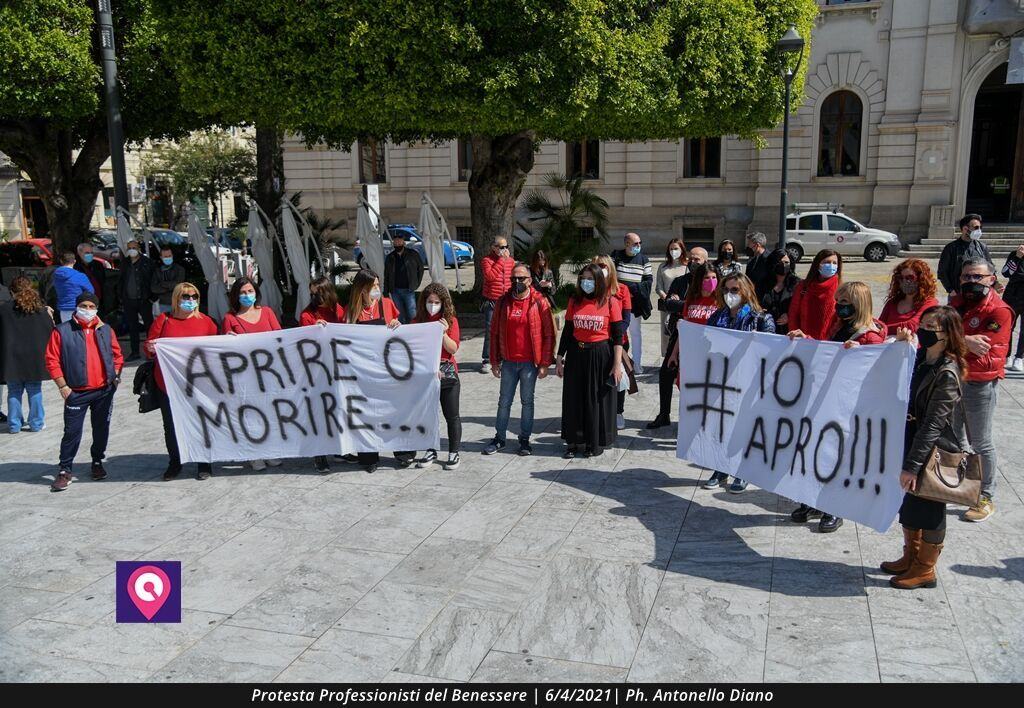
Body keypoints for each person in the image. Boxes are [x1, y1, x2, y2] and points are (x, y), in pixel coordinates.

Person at [882, 306, 969, 590]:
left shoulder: (947, 372)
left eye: (932, 326)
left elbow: (933, 425)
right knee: (910, 503)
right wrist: (900, 346)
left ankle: (926, 568)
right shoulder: (921, 358)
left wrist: (912, 465)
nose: (925, 329)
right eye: (923, 324)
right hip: (910, 437)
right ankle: (910, 555)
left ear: (947, 334)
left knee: (929, 506)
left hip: (930, 448)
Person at [789, 281, 887, 532]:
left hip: (849, 404)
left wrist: (860, 354)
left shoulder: (870, 336)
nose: (840, 307)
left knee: (836, 457)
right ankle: (813, 500)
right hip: (829, 398)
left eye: (845, 303)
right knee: (817, 451)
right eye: (839, 302)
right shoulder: (839, 325)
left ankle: (835, 508)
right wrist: (808, 340)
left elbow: (876, 374)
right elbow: (828, 353)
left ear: (859, 304)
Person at [702, 273, 776, 493]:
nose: (729, 294)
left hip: (748, 382)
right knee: (721, 426)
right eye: (726, 290)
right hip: (721, 380)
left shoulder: (761, 318)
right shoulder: (717, 317)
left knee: (744, 427)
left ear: (745, 291)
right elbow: (704, 342)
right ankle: (721, 468)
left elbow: (773, 349)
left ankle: (743, 471)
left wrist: (759, 340)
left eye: (735, 290)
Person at [951, 257, 1013, 522]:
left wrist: (952, 344)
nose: (971, 282)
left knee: (981, 441)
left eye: (977, 277)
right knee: (954, 438)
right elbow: (938, 337)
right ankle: (958, 484)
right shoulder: (957, 304)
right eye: (966, 277)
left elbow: (989, 356)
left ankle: (986, 495)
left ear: (991, 279)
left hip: (980, 383)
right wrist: (963, 341)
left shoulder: (999, 311)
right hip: (952, 381)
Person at [45, 292, 123, 492]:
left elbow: (117, 355)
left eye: (91, 306)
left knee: (101, 429)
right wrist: (63, 386)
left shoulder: (105, 329)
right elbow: (52, 359)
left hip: (104, 391)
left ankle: (97, 461)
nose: (87, 310)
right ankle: (65, 470)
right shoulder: (62, 331)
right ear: (77, 307)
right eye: (84, 306)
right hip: (76, 391)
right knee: (71, 432)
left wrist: (114, 377)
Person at [145, 282, 218, 481]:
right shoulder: (164, 320)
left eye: (194, 296)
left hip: (198, 385)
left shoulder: (206, 321)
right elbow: (149, 346)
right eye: (185, 296)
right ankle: (175, 463)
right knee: (171, 426)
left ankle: (204, 463)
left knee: (201, 423)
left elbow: (215, 348)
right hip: (168, 384)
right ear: (177, 298)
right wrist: (150, 348)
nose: (190, 300)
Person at [484, 263, 556, 455]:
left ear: (530, 280)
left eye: (521, 278)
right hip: (508, 363)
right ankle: (500, 438)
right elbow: (494, 333)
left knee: (527, 402)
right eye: (514, 278)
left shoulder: (539, 302)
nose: (517, 281)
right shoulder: (503, 301)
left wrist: (545, 363)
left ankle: (524, 439)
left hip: (529, 364)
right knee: (504, 402)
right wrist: (494, 361)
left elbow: (549, 334)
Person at [557, 265, 624, 457]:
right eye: (583, 278)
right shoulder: (574, 301)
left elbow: (618, 336)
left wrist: (617, 364)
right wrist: (560, 357)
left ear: (599, 281)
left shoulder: (610, 302)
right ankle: (573, 441)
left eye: (590, 278)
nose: (586, 282)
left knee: (594, 399)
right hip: (576, 354)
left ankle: (591, 442)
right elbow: (568, 331)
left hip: (600, 355)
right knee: (573, 398)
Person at [345, 269, 406, 474]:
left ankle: (402, 452)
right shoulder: (352, 311)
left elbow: (400, 328)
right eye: (373, 286)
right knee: (367, 415)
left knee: (393, 411)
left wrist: (397, 324)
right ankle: (369, 457)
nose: (377, 289)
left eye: (379, 285)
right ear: (362, 289)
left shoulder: (387, 304)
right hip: (364, 370)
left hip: (387, 368)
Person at [221, 277, 284, 473]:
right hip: (244, 376)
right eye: (242, 292)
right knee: (250, 415)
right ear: (235, 296)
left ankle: (270, 451)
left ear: (256, 292)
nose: (247, 295)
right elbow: (224, 351)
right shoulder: (229, 318)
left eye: (250, 291)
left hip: (268, 373)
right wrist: (227, 340)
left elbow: (280, 338)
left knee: (270, 413)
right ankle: (254, 454)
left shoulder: (267, 312)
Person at [648, 258, 718, 429]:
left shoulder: (721, 302)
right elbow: (684, 329)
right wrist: (673, 355)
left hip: (711, 357)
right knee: (689, 391)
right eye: (706, 278)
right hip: (690, 354)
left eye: (714, 278)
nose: (710, 282)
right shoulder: (691, 301)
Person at [414, 283, 463, 470]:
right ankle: (430, 449)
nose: (432, 305)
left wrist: (442, 333)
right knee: (428, 415)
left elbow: (453, 348)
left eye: (436, 302)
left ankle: (454, 452)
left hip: (448, 375)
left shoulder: (450, 322)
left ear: (443, 303)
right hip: (426, 375)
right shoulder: (417, 321)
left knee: (452, 415)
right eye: (429, 301)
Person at [0, 277, 54, 433]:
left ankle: (14, 424)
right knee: (34, 389)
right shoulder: (41, 309)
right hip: (34, 356)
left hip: (11, 356)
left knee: (14, 390)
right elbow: (50, 330)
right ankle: (36, 423)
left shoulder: (4, 309)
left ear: (11, 292)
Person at [594, 255, 632, 430]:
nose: (599, 268)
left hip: (618, 341)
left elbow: (625, 319)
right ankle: (600, 411)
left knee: (618, 378)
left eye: (602, 265)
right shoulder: (592, 291)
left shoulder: (622, 289)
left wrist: (614, 334)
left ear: (610, 267)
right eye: (595, 266)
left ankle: (618, 412)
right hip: (597, 342)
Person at [611, 232, 653, 374]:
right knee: (616, 332)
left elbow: (647, 283)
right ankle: (617, 361)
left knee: (635, 333)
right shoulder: (616, 256)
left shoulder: (644, 260)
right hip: (617, 303)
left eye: (640, 243)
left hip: (635, 304)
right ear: (627, 244)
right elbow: (610, 277)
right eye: (635, 243)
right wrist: (623, 290)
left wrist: (629, 288)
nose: (639, 246)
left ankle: (637, 364)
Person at [786, 249, 842, 339]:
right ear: (818, 265)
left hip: (828, 344)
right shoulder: (803, 286)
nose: (831, 265)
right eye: (827, 262)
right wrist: (795, 336)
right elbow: (793, 314)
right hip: (803, 341)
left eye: (835, 263)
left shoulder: (841, 289)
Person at [480, 237, 515, 373]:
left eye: (506, 247)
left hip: (506, 300)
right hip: (492, 300)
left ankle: (503, 357)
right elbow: (490, 277)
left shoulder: (510, 262)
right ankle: (487, 359)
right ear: (493, 247)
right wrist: (501, 260)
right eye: (501, 247)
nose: (504, 250)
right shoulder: (486, 261)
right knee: (490, 330)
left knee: (507, 329)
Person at [937, 213, 992, 300]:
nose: (979, 231)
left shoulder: (982, 247)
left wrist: (995, 284)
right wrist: (950, 290)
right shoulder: (951, 248)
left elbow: (990, 268)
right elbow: (942, 272)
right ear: (965, 229)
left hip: (979, 294)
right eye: (976, 227)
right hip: (958, 294)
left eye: (980, 227)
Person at [879, 258, 940, 336]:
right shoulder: (892, 302)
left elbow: (913, 326)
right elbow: (880, 324)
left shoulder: (930, 303)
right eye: (901, 278)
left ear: (921, 279)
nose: (905, 281)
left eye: (910, 278)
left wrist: (882, 330)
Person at [117, 239, 154, 361]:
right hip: (129, 300)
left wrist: (152, 297)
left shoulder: (147, 262)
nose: (132, 250)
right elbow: (121, 280)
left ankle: (150, 352)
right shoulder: (125, 263)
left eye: (134, 247)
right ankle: (134, 352)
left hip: (144, 299)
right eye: (129, 248)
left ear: (139, 248)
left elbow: (152, 280)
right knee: (133, 327)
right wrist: (121, 296)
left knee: (149, 327)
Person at [383, 231, 424, 324]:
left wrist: (416, 283)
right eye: (395, 242)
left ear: (404, 243)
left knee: (412, 313)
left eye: (399, 242)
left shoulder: (413, 254)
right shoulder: (390, 257)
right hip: (395, 290)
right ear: (393, 243)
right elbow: (386, 275)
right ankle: (402, 332)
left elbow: (420, 269)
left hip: (409, 289)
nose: (397, 244)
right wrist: (385, 291)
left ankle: (414, 329)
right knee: (399, 314)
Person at [656, 239, 688, 356]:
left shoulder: (686, 266)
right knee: (666, 332)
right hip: (666, 304)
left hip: (681, 305)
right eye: (671, 249)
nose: (673, 251)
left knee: (680, 332)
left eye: (676, 249)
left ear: (682, 250)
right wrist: (666, 297)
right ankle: (666, 356)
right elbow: (658, 287)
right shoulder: (663, 267)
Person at [756, 249, 798, 329]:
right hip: (765, 328)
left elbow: (802, 308)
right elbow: (753, 304)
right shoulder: (761, 283)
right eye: (779, 262)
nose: (783, 265)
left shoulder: (797, 284)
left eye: (786, 263)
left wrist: (790, 315)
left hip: (788, 331)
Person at [1000, 244, 1024, 372]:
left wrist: (1018, 276)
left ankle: (1019, 357)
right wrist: (1017, 258)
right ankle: (1006, 355)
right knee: (1007, 327)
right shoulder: (1014, 255)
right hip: (1012, 296)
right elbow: (1006, 273)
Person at [54, 252, 94, 323]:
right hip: (79, 308)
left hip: (63, 309)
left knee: (67, 331)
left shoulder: (56, 276)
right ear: (74, 261)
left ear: (61, 261)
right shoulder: (80, 276)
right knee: (80, 331)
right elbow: (90, 291)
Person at [151, 247, 186, 314]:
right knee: (166, 323)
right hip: (163, 304)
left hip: (178, 303)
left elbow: (178, 285)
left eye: (169, 256)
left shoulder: (179, 269)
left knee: (178, 323)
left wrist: (162, 284)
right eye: (165, 256)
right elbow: (154, 288)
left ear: (172, 256)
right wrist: (170, 286)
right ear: (161, 257)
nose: (168, 258)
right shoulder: (157, 271)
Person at [75, 242, 105, 308]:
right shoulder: (75, 267)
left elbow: (102, 281)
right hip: (83, 302)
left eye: (91, 253)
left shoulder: (98, 265)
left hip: (98, 300)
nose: (90, 255)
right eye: (87, 253)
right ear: (79, 253)